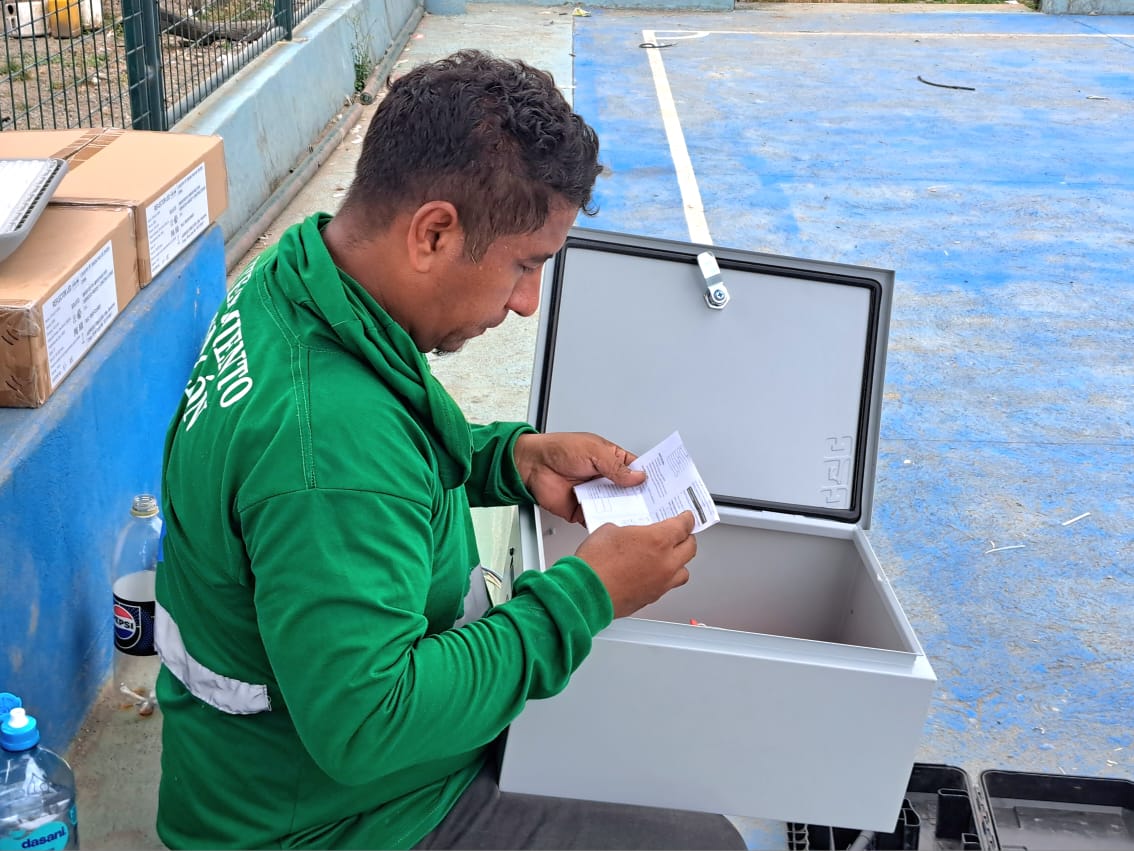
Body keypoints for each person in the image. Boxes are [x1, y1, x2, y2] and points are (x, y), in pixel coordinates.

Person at [153, 49, 746, 850]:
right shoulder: (330, 446)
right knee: (703, 840)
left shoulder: (297, 280)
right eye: (526, 265)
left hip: (261, 778)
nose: (529, 302)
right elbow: (368, 723)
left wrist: (509, 459)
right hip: (334, 821)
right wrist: (585, 595)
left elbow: (376, 462)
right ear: (433, 232)